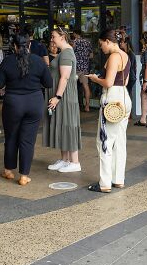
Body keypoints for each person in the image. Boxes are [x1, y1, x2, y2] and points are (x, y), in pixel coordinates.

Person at [0, 33, 53, 186]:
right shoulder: (38, 61)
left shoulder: (7, 62)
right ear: (29, 45)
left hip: (13, 103)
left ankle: (8, 170)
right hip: (34, 103)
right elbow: (48, 83)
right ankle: (24, 176)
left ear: (14, 46)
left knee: (11, 137)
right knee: (28, 140)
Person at [85, 29, 131, 193]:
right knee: (119, 141)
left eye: (101, 44)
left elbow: (109, 82)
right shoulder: (125, 55)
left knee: (104, 141)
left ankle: (104, 182)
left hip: (112, 98)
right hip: (124, 98)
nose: (101, 48)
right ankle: (118, 179)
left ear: (108, 41)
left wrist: (95, 79)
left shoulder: (113, 57)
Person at [44, 27, 82, 173]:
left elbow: (65, 77)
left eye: (53, 36)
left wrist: (57, 97)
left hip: (64, 96)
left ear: (62, 36)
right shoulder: (64, 52)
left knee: (68, 124)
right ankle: (65, 160)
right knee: (62, 124)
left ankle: (75, 162)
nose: (52, 39)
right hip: (62, 95)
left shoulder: (66, 53)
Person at [72, 30, 93, 112]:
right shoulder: (88, 42)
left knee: (72, 86)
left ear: (75, 34)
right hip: (84, 68)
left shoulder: (75, 42)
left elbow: (71, 53)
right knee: (86, 86)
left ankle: (74, 106)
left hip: (76, 68)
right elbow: (91, 55)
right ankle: (87, 106)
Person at [120, 33, 137, 105]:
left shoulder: (130, 54)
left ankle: (128, 111)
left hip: (129, 77)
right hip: (130, 77)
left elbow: (129, 67)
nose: (120, 43)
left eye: (121, 42)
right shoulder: (127, 53)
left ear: (126, 43)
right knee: (127, 93)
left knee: (127, 94)